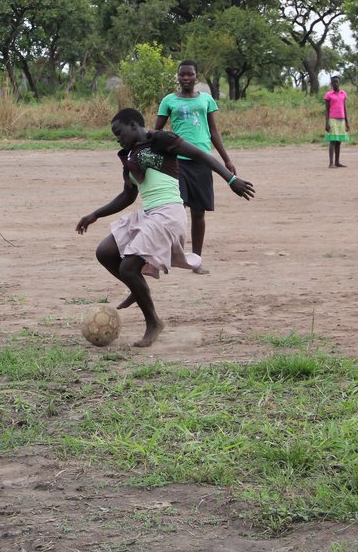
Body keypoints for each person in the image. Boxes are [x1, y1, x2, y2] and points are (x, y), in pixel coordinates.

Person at [76, 108, 254, 348]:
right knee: (105, 252)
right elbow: (128, 197)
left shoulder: (160, 140)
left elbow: (202, 156)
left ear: (134, 125)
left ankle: (153, 322)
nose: (117, 138)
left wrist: (231, 179)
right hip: (148, 214)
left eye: (119, 133)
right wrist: (95, 214)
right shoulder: (128, 158)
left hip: (168, 214)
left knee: (129, 266)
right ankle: (137, 287)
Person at [153, 60, 238, 275]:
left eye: (190, 74)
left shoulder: (206, 100)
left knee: (199, 213)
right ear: (178, 77)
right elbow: (157, 132)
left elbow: (214, 131)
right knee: (176, 210)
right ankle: (171, 255)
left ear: (196, 77)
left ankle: (196, 260)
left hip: (202, 162)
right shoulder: (169, 101)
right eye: (182, 75)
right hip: (177, 162)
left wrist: (226, 159)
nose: (186, 78)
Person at [323, 76, 350, 168]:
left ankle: (337, 162)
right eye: (333, 82)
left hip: (341, 119)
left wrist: (347, 121)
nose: (335, 83)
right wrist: (327, 122)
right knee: (332, 141)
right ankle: (331, 163)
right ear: (331, 83)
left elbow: (344, 108)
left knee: (339, 141)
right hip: (333, 119)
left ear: (339, 82)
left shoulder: (343, 94)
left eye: (337, 82)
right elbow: (326, 109)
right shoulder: (328, 95)